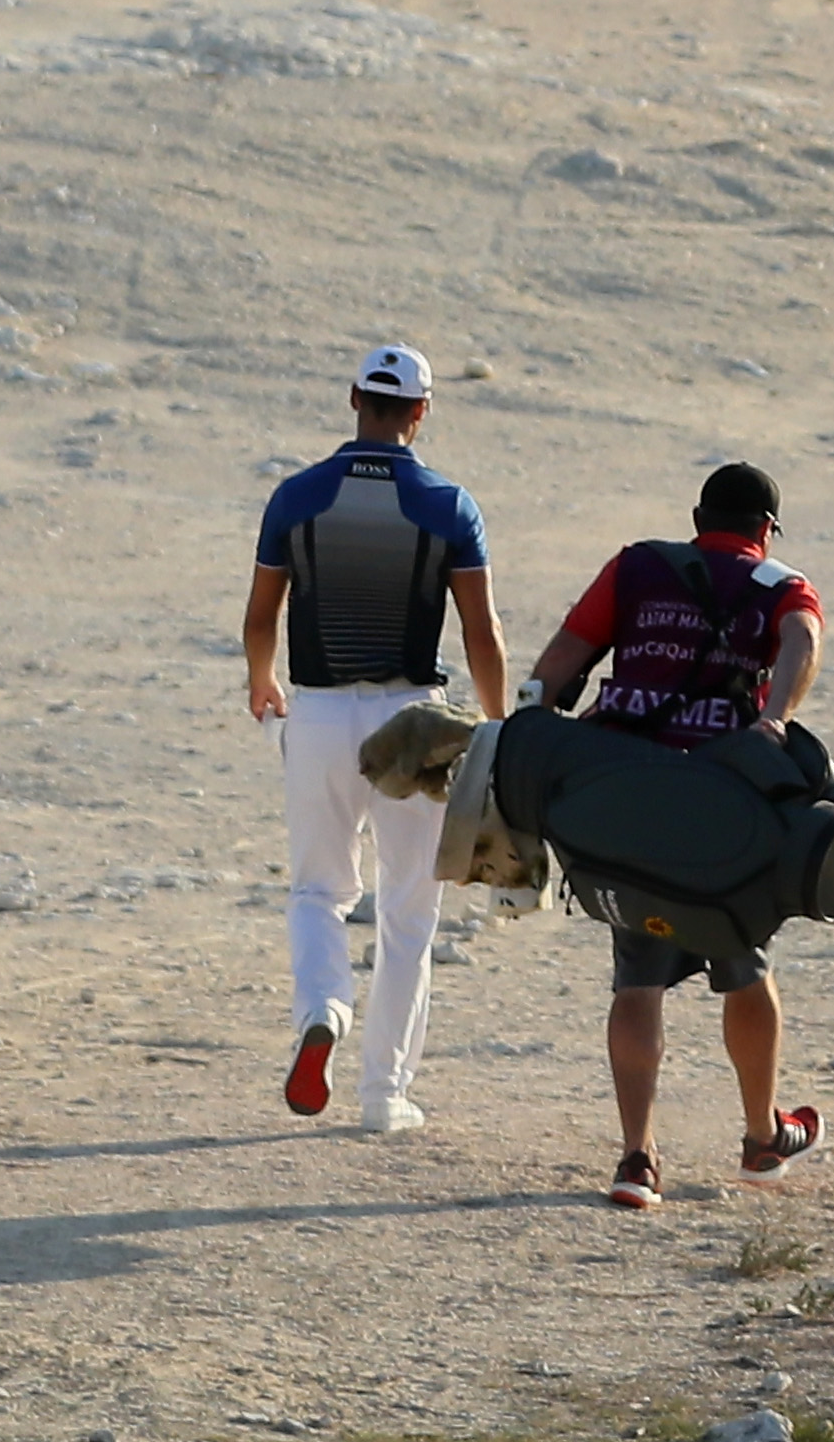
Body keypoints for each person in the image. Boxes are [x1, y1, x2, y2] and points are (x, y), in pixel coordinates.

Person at [532, 462, 828, 1212]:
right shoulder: (783, 586)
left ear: (698, 516)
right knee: (744, 958)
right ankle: (763, 1136)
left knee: (638, 975)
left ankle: (637, 1159)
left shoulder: (636, 567)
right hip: (725, 807)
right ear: (767, 530)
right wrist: (776, 720)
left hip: (630, 797)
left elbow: (563, 659)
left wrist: (531, 722)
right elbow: (802, 641)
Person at [240, 342, 506, 1138]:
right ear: (422, 412)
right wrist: (495, 729)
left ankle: (323, 1010)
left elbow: (261, 618)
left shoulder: (296, 497)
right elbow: (480, 631)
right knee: (407, 912)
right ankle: (384, 1094)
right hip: (413, 721)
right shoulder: (448, 504)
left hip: (318, 714)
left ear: (353, 397)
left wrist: (263, 683)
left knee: (318, 891)